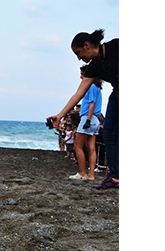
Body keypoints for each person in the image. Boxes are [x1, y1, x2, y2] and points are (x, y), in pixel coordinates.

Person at [50, 29, 118, 190]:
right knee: (109, 133)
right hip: (118, 93)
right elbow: (79, 93)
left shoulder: (116, 46)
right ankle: (115, 177)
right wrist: (60, 115)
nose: (79, 58)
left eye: (78, 53)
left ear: (87, 45)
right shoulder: (94, 66)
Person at [72, 66, 104, 180]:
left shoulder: (89, 86)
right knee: (92, 149)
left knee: (78, 147)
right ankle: (91, 174)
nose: (81, 76)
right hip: (96, 119)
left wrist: (88, 120)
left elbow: (92, 103)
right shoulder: (97, 87)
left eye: (82, 74)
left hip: (88, 118)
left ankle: (82, 173)